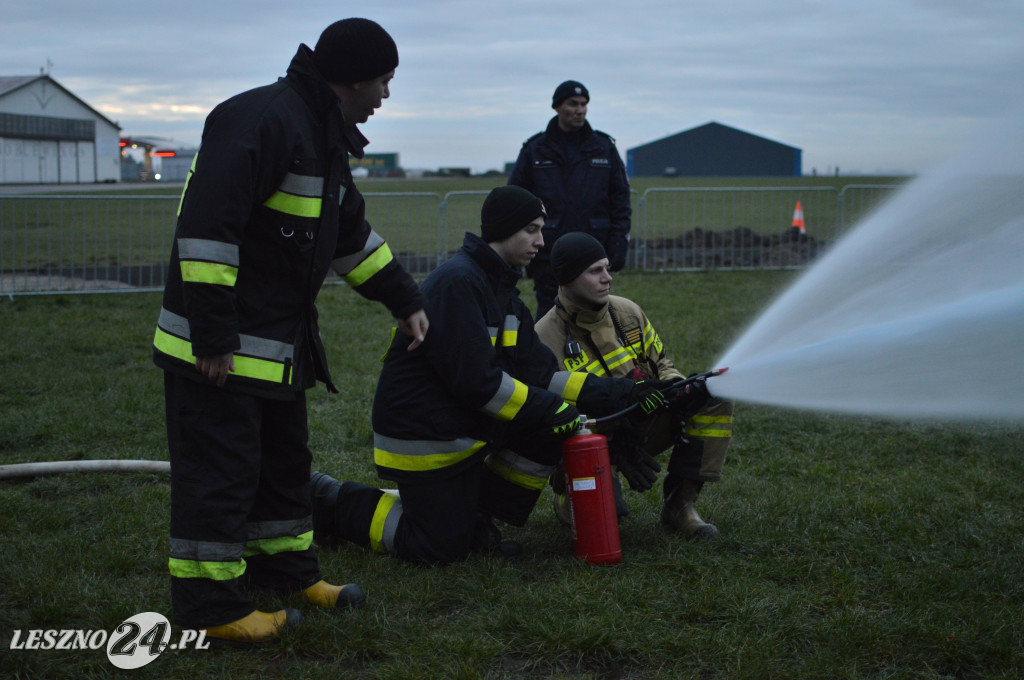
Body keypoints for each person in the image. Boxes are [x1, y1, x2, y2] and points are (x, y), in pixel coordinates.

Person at [152, 18, 429, 645]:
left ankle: (286, 573)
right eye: (384, 80)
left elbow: (349, 235)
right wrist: (214, 337)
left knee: (282, 466)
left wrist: (403, 300)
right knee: (220, 472)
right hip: (219, 350)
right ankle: (210, 608)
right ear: (355, 78)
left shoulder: (322, 133)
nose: (386, 94)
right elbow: (205, 232)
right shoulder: (264, 121)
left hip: (274, 350)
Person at [309, 186, 673, 565]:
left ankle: (478, 517)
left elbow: (543, 374)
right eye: (532, 229)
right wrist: (552, 410)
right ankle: (331, 502)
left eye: (541, 229)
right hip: (425, 437)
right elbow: (477, 383)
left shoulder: (505, 294)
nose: (541, 240)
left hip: (465, 429)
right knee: (437, 548)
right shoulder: (458, 283)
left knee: (548, 425)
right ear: (505, 228)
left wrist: (625, 394)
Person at [534, 232, 734, 539]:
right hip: (590, 440)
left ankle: (680, 505)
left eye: (607, 267)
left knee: (713, 394)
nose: (608, 278)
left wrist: (678, 390)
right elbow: (552, 416)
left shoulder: (627, 312)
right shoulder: (545, 338)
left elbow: (663, 364)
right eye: (595, 271)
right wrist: (614, 438)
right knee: (605, 520)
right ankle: (570, 494)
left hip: (644, 419)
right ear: (568, 278)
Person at [508, 80, 632, 318]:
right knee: (551, 317)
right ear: (557, 107)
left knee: (594, 317)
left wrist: (618, 245)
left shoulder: (603, 148)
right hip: (549, 251)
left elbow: (621, 201)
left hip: (594, 249)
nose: (580, 110)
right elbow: (516, 202)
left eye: (584, 104)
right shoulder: (536, 150)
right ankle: (548, 357)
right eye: (572, 104)